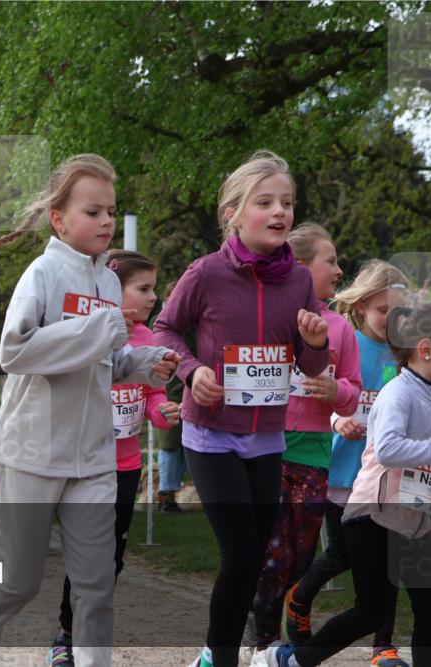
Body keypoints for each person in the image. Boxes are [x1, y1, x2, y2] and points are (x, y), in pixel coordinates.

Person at [0, 154, 178, 667]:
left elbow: (103, 362)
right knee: (16, 582)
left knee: (96, 586)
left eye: (111, 212)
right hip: (31, 454)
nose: (106, 222)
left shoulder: (110, 282)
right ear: (59, 219)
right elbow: (15, 351)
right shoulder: (43, 273)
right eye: (93, 212)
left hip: (93, 459)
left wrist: (142, 361)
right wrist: (100, 330)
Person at [153, 151, 330, 667]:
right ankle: (222, 657)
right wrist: (191, 371)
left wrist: (315, 341)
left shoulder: (298, 280)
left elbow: (312, 364)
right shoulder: (206, 273)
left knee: (255, 558)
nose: (279, 212)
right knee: (244, 553)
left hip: (267, 437)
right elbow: (165, 329)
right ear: (233, 212)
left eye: (287, 203)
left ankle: (212, 654)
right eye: (265, 202)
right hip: (210, 433)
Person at [267, 302, 431, 667]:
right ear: (426, 349)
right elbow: (387, 450)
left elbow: (418, 459)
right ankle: (293, 661)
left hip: (410, 517)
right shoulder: (397, 393)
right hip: (372, 515)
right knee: (371, 611)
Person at [48, 249, 181, 666]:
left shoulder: (149, 340)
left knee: (113, 560)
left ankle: (81, 631)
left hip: (126, 467)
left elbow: (154, 397)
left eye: (154, 289)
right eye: (143, 289)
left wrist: (164, 413)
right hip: (87, 466)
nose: (153, 297)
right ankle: (67, 637)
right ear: (110, 289)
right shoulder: (88, 332)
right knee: (88, 556)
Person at [283, 260, 411, 666]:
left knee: (388, 560)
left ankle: (383, 645)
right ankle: (299, 596)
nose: (391, 321)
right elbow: (331, 394)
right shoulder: (346, 341)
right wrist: (341, 420)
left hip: (390, 478)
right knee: (343, 556)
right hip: (345, 473)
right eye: (382, 311)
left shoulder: (407, 355)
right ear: (360, 308)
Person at [246, 224, 361, 662]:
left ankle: (270, 633)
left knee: (302, 555)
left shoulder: (340, 329)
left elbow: (353, 388)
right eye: (330, 261)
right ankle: (265, 641)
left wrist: (337, 394)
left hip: (315, 454)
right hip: (269, 448)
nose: (338, 269)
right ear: (298, 265)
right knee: (274, 555)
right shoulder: (270, 316)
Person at [155, 280, 187, 512]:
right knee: (169, 445)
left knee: (187, 444)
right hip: (166, 389)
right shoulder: (161, 319)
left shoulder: (190, 319)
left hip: (188, 386)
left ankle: (173, 491)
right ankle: (166, 494)